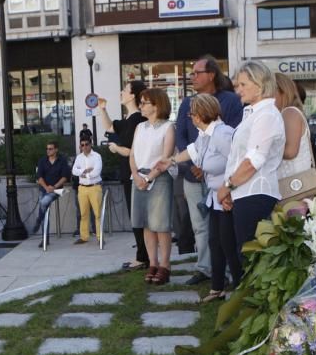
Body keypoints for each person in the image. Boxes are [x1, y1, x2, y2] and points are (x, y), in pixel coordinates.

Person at [160, 94, 237, 303]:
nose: (190, 118)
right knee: (215, 242)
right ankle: (217, 288)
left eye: (192, 113)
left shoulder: (222, 134)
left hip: (227, 197)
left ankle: (238, 289)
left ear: (201, 114)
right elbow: (192, 152)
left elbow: (236, 162)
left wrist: (228, 189)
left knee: (228, 245)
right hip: (215, 198)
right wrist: (170, 161)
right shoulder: (205, 134)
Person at [175, 55, 244, 286]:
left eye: (197, 73)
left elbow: (235, 146)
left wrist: (222, 178)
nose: (192, 77)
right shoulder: (187, 103)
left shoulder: (231, 102)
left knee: (226, 236)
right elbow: (184, 138)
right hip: (194, 175)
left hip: (225, 182)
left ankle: (230, 277)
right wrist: (192, 165)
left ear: (211, 74)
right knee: (202, 229)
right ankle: (207, 270)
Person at [217, 61, 286, 259]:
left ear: (260, 84)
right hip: (242, 192)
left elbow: (253, 160)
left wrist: (227, 186)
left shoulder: (267, 115)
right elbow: (237, 158)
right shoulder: (253, 113)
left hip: (256, 192)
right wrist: (231, 190)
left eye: (243, 85)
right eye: (237, 85)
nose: (238, 90)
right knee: (234, 251)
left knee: (248, 257)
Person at [97, 80, 149, 270]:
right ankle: (143, 255)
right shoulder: (129, 120)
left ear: (133, 95)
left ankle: (142, 257)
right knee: (136, 217)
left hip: (134, 173)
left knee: (138, 217)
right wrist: (102, 109)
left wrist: (115, 148)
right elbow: (110, 127)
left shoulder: (137, 120)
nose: (121, 92)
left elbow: (130, 151)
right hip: (129, 173)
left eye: (125, 90)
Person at [130, 88, 175, 285]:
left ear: (157, 105)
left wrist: (148, 178)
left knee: (161, 224)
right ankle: (153, 263)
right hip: (138, 177)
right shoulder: (140, 127)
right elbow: (132, 154)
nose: (141, 106)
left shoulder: (168, 127)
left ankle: (165, 265)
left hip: (159, 178)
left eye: (144, 102)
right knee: (146, 223)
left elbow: (166, 158)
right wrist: (135, 175)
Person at [273, 73, 314, 197]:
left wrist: (263, 150)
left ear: (283, 91)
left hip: (294, 186)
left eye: (270, 91)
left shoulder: (289, 113)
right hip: (292, 185)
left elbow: (290, 152)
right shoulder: (285, 114)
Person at [33, 140, 71, 237]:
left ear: (56, 150)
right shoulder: (42, 160)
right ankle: (45, 238)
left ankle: (38, 219)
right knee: (44, 210)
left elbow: (65, 177)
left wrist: (53, 187)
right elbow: (39, 177)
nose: (48, 151)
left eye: (50, 149)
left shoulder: (62, 161)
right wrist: (46, 187)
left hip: (56, 190)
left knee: (43, 203)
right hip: (44, 189)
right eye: (47, 149)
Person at [72, 138, 103, 245]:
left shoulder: (97, 156)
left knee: (98, 214)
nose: (84, 147)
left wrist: (84, 174)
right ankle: (84, 237)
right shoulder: (79, 157)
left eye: (86, 144)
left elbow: (96, 172)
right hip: (82, 188)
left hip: (95, 187)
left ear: (91, 144)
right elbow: (74, 171)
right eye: (82, 145)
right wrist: (84, 171)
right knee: (83, 214)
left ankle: (100, 237)